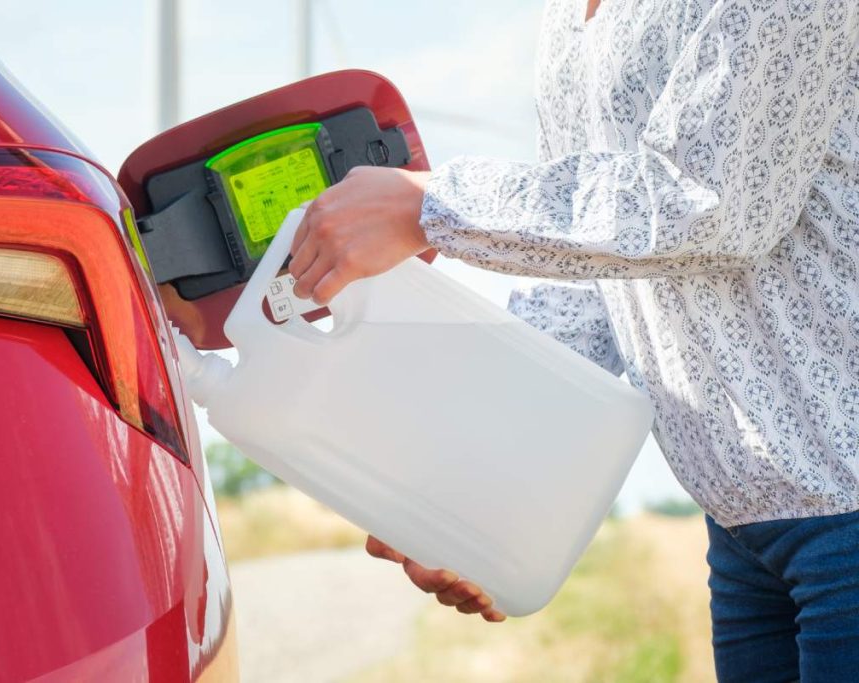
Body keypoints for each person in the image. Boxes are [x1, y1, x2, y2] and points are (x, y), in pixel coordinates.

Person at [287, 0, 859, 680]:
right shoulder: (567, 20)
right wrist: (459, 480)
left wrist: (430, 205)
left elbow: (710, 202)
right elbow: (585, 278)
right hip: (743, 534)